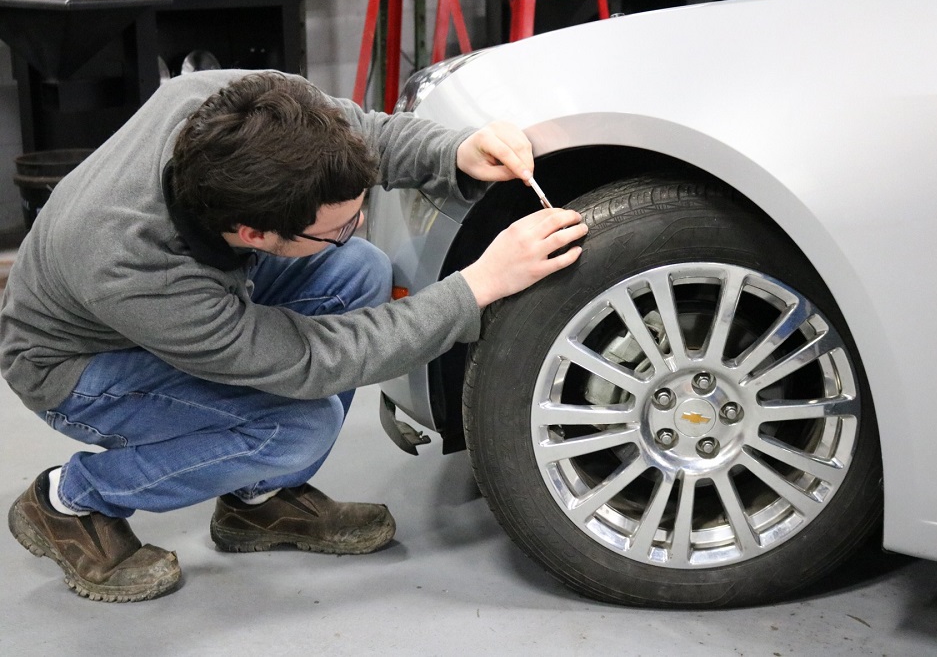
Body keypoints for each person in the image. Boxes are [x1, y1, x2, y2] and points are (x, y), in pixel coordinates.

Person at [0, 70, 587, 602]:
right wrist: (477, 286)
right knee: (294, 429)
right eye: (333, 227)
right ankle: (72, 501)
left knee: (360, 268)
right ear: (254, 233)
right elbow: (310, 360)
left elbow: (354, 135)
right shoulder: (129, 265)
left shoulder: (221, 103)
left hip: (173, 304)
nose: (353, 227)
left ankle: (256, 504)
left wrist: (454, 151)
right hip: (78, 366)